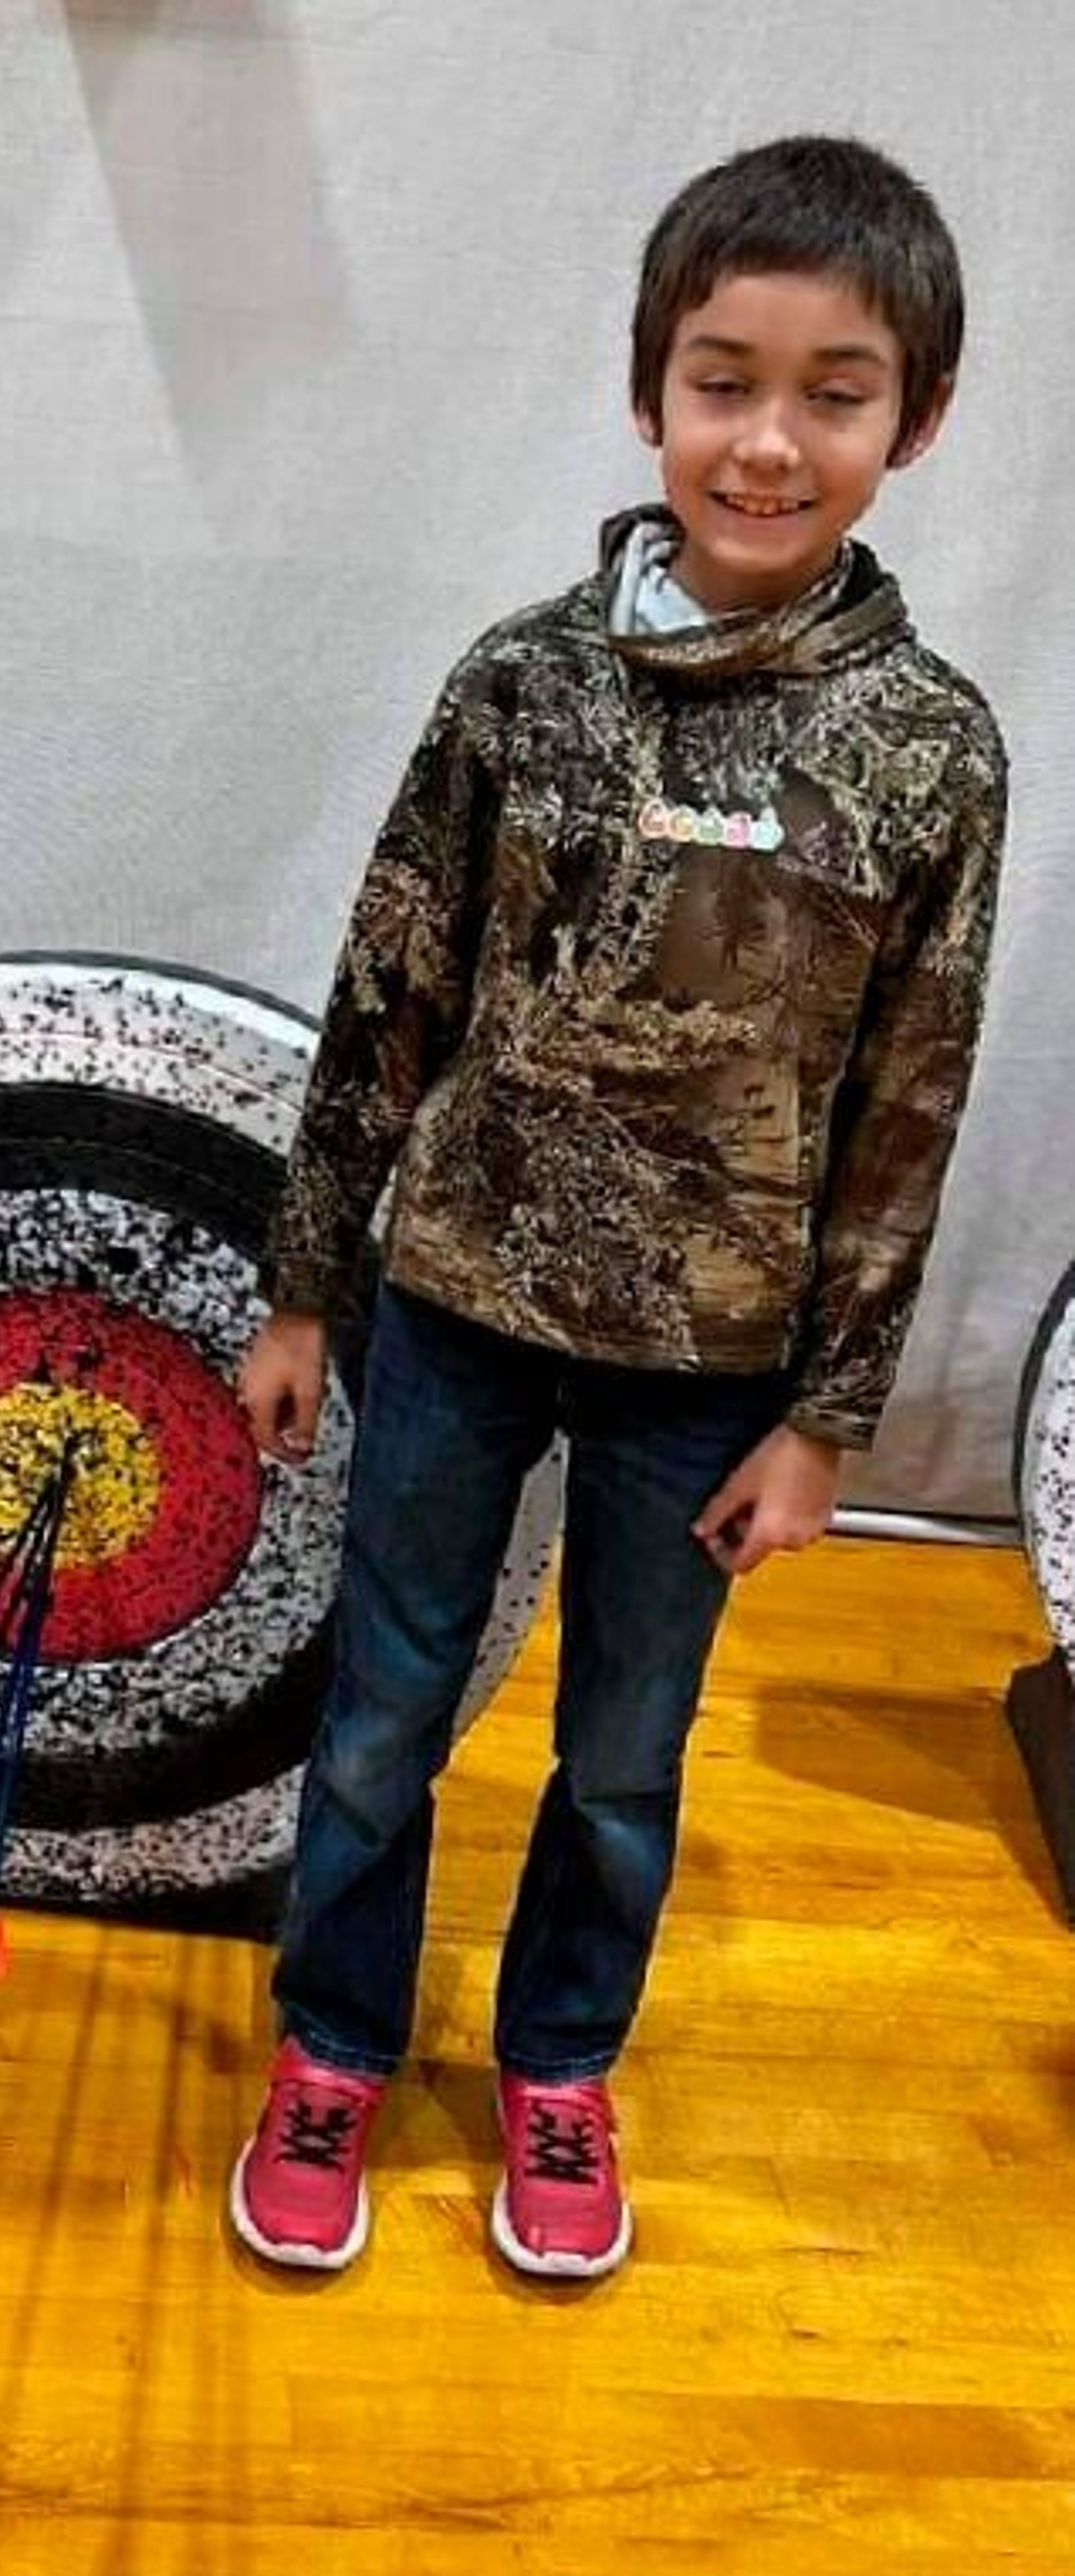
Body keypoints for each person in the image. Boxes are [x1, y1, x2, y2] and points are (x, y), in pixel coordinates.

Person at [228, 135, 1008, 2280]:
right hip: (459, 1303)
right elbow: (389, 981)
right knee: (385, 1703)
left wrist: (832, 1413)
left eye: (832, 391)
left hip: (715, 1362)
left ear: (912, 421)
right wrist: (309, 1289)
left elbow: (908, 1097)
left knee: (621, 1759)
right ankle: (335, 2041)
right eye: (722, 377)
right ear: (647, 390)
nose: (767, 440)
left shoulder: (932, 752)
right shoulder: (519, 686)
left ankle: (558, 2067)